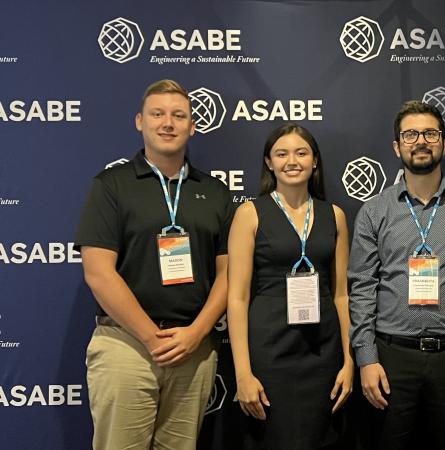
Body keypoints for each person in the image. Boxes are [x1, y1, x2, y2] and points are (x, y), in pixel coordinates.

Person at [76, 79, 234, 450]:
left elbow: (230, 275)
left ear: (193, 126)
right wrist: (150, 336)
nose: (168, 123)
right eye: (157, 114)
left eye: (179, 115)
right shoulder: (111, 185)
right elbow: (98, 272)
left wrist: (196, 333)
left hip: (192, 351)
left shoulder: (215, 193)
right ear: (139, 122)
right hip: (125, 345)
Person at [349, 100, 445, 449]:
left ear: (444, 144)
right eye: (411, 134)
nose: (421, 141)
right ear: (396, 146)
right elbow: (362, 288)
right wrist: (366, 358)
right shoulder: (374, 211)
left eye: (431, 133)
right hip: (392, 358)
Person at [227, 123, 354, 449]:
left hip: (323, 355)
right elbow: (237, 299)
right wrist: (243, 372)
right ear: (269, 162)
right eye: (281, 153)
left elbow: (341, 294)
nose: (292, 161)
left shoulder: (334, 215)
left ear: (315, 162)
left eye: (301, 152)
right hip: (270, 356)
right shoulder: (249, 214)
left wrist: (349, 360)